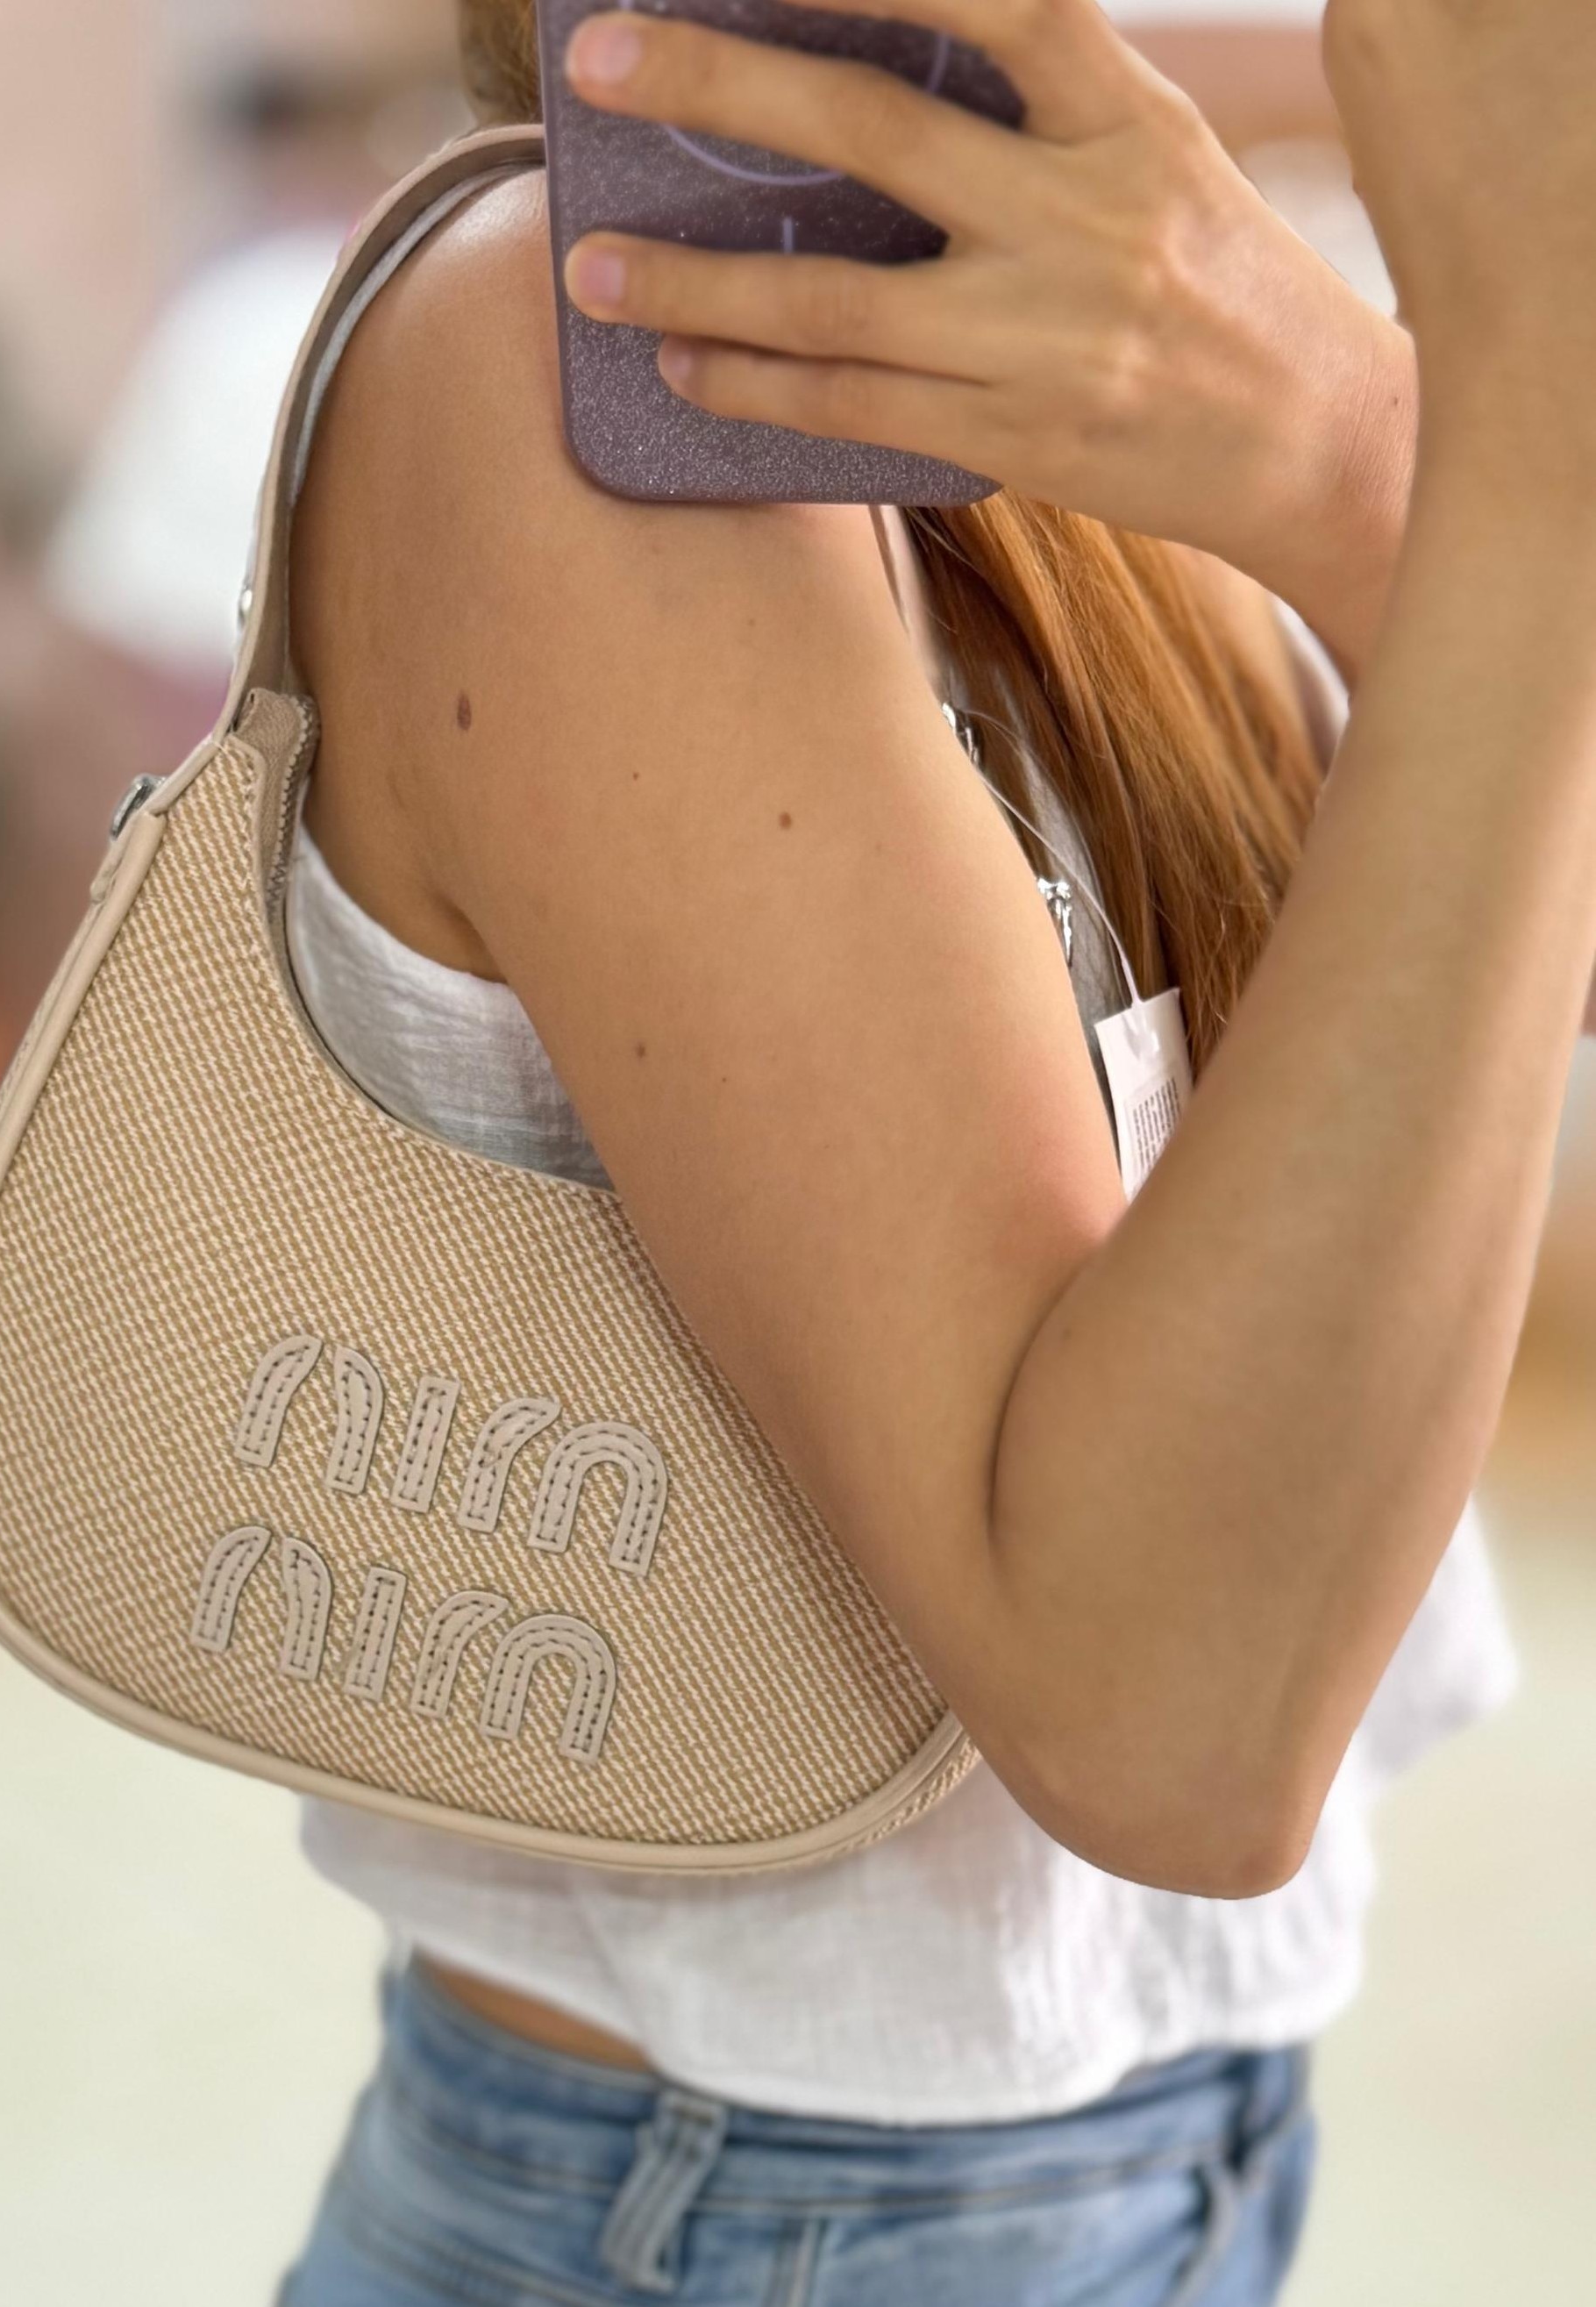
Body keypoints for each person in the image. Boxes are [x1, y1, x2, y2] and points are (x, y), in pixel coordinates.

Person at [274, 3, 1595, 2301]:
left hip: (1149, 2149)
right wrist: (1539, 425)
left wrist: (1378, 456)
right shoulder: (577, 350)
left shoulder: (1082, 273)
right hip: (746, 2215)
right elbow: (1174, 1730)